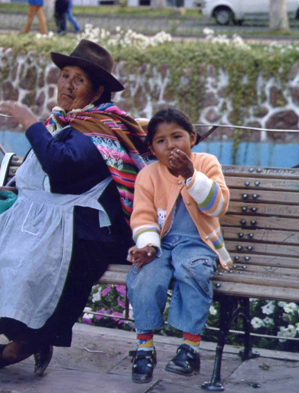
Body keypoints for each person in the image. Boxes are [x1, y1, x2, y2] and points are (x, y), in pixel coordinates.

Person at [0, 40, 152, 376]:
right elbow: (40, 175)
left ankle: (25, 344)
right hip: (44, 219)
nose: (66, 84)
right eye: (65, 75)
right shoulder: (67, 122)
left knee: (23, 263)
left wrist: (29, 122)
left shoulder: (100, 129)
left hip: (87, 231)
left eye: (78, 80)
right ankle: (25, 336)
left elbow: (61, 166)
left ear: (98, 91)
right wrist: (3, 192)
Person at [126, 108, 231, 384]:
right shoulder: (148, 175)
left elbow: (218, 205)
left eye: (177, 137)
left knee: (193, 271)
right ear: (151, 148)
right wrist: (147, 245)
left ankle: (190, 347)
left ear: (192, 138)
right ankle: (144, 347)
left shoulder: (207, 163)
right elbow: (143, 216)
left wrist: (190, 175)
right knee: (145, 276)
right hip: (161, 245)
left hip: (199, 243)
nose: (170, 145)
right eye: (161, 141)